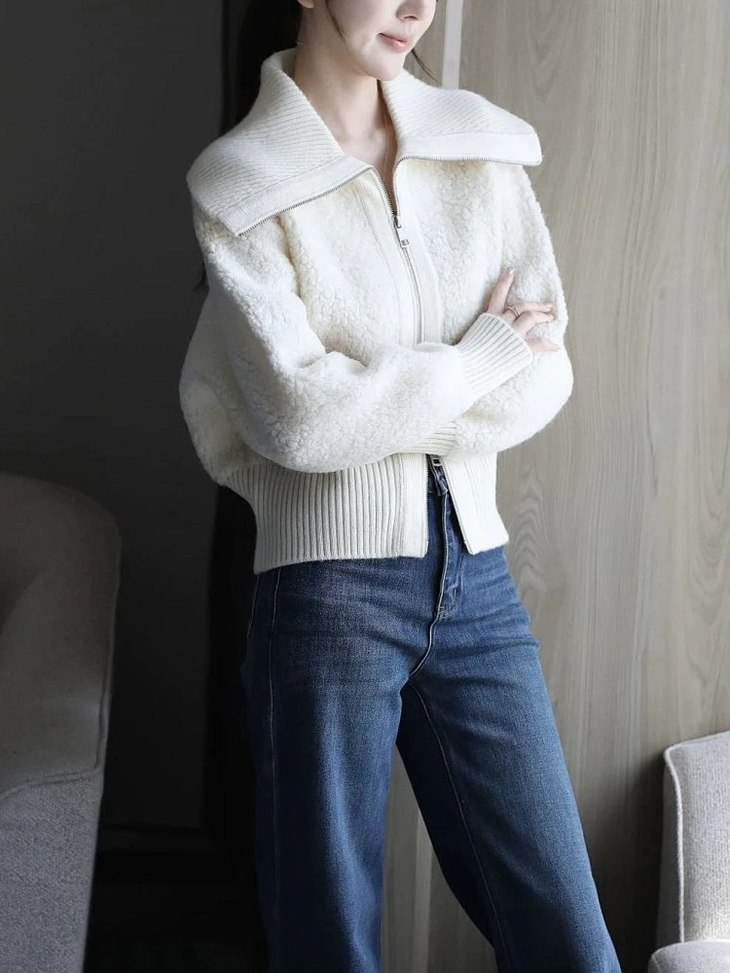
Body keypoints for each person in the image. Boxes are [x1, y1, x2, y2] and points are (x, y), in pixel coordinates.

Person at [179, 1, 623, 970]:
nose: (416, 6)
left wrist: (378, 408)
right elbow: (299, 420)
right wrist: (481, 354)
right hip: (324, 593)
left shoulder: (480, 148)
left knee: (570, 940)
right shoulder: (241, 183)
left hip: (479, 585)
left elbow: (547, 376)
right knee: (328, 940)